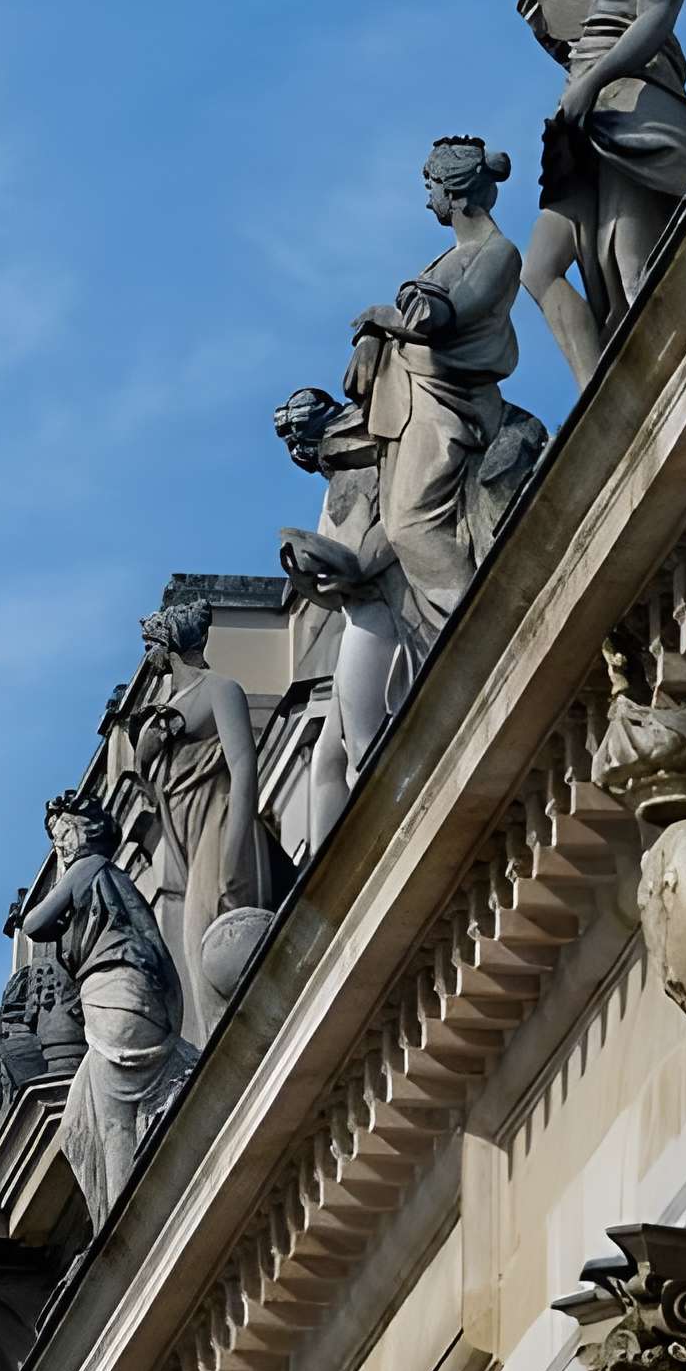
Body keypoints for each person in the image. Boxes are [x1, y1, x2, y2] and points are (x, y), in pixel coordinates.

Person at [346, 139, 528, 639]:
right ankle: (456, 633)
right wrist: (376, 334)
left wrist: (384, 318)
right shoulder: (453, 255)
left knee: (410, 525)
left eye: (431, 188)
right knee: (400, 523)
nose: (428, 201)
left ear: (454, 190)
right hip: (416, 404)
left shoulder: (499, 253)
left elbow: (451, 316)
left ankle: (480, 631)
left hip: (450, 405)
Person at [9, 792, 199, 1228]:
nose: (60, 845)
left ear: (87, 830)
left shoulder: (89, 867)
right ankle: (117, 1216)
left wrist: (62, 878)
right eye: (55, 839)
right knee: (81, 1118)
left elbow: (35, 923)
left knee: (113, 1106)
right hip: (112, 989)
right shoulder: (103, 877)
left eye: (63, 833)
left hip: (116, 986)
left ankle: (123, 1220)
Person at [518, 0, 686, 380]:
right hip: (584, 132)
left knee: (633, 269)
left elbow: (657, 16)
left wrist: (592, 81)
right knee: (539, 268)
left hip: (629, 117)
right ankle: (594, 393)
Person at [125, 600, 282, 1043]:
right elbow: (151, 783)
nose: (149, 655)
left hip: (220, 820)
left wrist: (235, 856)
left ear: (170, 644)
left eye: (152, 644)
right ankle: (221, 1051)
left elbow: (244, 767)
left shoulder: (221, 690)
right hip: (189, 841)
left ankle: (240, 1048)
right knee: (196, 954)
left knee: (215, 943)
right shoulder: (164, 709)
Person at [274, 386, 414, 843]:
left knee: (362, 747)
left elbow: (398, 524)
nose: (299, 453)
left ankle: (387, 843)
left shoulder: (369, 466)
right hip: (358, 609)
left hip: (377, 610)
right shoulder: (341, 479)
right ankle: (327, 871)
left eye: (300, 439)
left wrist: (351, 570)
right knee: (326, 760)